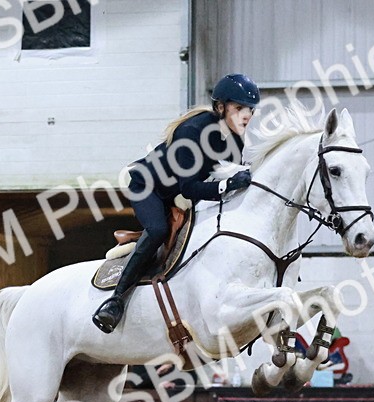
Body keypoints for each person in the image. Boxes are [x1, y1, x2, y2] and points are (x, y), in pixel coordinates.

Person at [92, 73, 260, 333]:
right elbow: (190, 188)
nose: (246, 115)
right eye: (239, 108)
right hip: (148, 187)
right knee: (158, 230)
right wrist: (229, 184)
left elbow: (219, 180)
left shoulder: (236, 138)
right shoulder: (192, 132)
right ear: (220, 107)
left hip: (177, 193)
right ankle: (115, 300)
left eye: (249, 109)